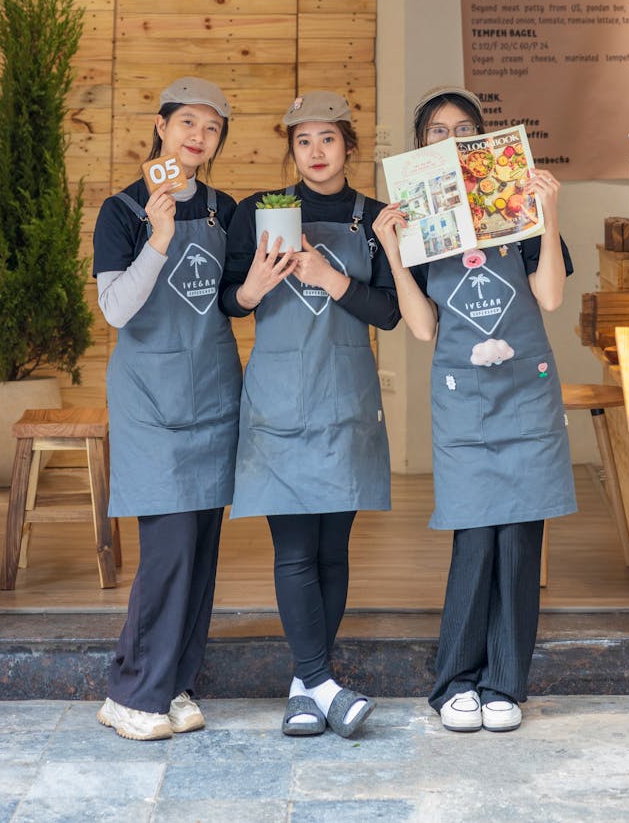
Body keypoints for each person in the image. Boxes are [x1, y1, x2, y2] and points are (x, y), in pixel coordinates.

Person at [374, 86, 576, 734]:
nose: (451, 138)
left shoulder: (516, 211)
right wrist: (392, 253)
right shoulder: (421, 225)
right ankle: (454, 682)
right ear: (421, 143)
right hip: (464, 400)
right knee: (474, 538)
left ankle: (504, 686)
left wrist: (547, 212)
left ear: (484, 139)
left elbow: (547, 298)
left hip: (525, 396)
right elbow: (423, 329)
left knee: (518, 540)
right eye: (436, 130)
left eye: (463, 128)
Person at [220, 90, 399, 740]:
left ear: (349, 147)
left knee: (332, 550)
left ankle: (305, 688)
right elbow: (230, 304)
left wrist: (331, 279)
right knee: (294, 547)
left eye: (328, 139)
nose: (315, 152)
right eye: (303, 141)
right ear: (290, 149)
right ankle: (319, 680)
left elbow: (389, 313)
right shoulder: (258, 215)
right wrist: (256, 285)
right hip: (279, 399)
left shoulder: (375, 220)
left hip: (345, 399)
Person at [93, 77, 241, 741]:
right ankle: (131, 691)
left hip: (210, 389)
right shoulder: (122, 210)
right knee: (168, 547)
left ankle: (173, 680)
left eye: (210, 129)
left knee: (201, 549)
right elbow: (116, 309)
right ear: (161, 126)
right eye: (187, 122)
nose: (196, 136)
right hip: (150, 398)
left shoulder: (222, 209)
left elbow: (232, 299)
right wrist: (156, 237)